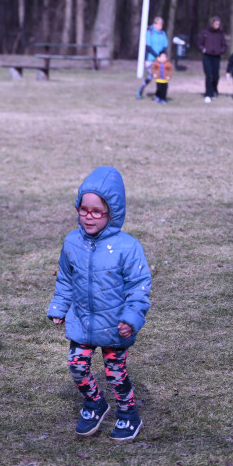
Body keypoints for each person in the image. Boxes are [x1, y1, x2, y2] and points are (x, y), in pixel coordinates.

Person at [47, 166, 152, 442]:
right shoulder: (72, 242)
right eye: (83, 209)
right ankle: (94, 403)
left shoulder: (128, 247)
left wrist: (131, 318)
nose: (88, 217)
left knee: (115, 372)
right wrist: (59, 307)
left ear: (112, 213)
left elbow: (139, 287)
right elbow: (66, 278)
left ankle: (128, 414)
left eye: (96, 211)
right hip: (82, 319)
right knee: (77, 365)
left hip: (114, 325)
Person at [196, 16, 227, 102]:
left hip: (216, 57)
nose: (218, 25)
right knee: (209, 75)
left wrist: (221, 51)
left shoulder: (220, 34)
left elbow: (224, 45)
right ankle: (208, 94)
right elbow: (199, 44)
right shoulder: (205, 33)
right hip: (207, 56)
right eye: (216, 23)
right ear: (212, 23)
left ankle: (214, 90)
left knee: (216, 76)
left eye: (219, 24)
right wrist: (204, 50)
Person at [137, 17, 169, 99]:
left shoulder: (163, 33)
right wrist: (156, 56)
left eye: (161, 25)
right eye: (159, 25)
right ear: (154, 24)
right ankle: (141, 89)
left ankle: (158, 95)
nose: (160, 26)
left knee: (159, 76)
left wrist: (162, 55)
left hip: (160, 59)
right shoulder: (149, 33)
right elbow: (148, 47)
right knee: (152, 76)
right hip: (150, 59)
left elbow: (165, 45)